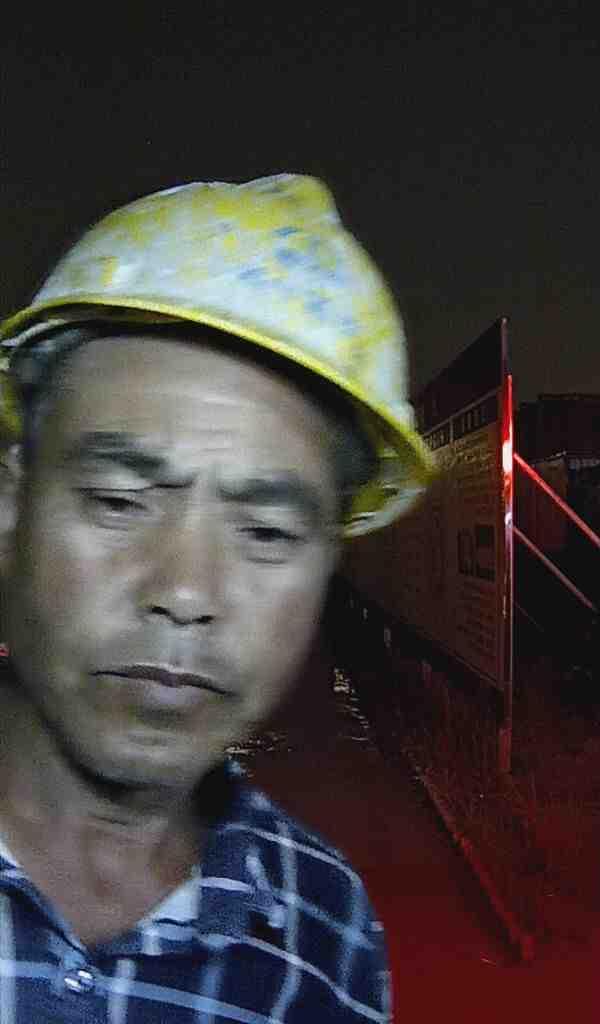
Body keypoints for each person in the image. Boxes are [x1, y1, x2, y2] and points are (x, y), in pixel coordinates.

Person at [0, 174, 432, 1021]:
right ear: (11, 505)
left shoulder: (327, 935)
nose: (185, 592)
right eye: (119, 500)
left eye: (266, 532)